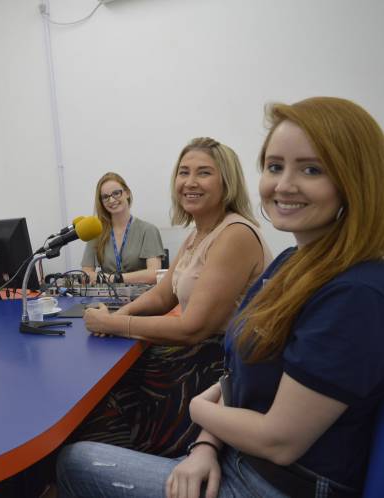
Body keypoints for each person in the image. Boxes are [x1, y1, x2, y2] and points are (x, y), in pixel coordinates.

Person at [58, 97, 384, 498]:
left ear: (356, 179)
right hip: (234, 451)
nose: (284, 185)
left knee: (77, 454)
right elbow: (237, 372)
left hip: (268, 481)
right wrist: (206, 446)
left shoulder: (354, 293)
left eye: (311, 169)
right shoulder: (291, 262)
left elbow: (279, 440)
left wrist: (199, 411)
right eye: (275, 167)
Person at [77, 138, 272, 457]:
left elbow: (192, 328)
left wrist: (113, 325)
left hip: (215, 368)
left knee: (104, 403)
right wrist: (117, 315)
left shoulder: (235, 234)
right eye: (184, 172)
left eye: (203, 173)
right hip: (196, 355)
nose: (190, 182)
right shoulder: (197, 234)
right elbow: (162, 296)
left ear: (227, 182)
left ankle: (109, 469)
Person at [81, 172, 164, 284]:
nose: (111, 200)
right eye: (105, 197)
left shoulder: (148, 230)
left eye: (116, 193)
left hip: (143, 294)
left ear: (127, 193)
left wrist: (114, 279)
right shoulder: (96, 231)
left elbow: (154, 274)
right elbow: (85, 275)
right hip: (107, 295)